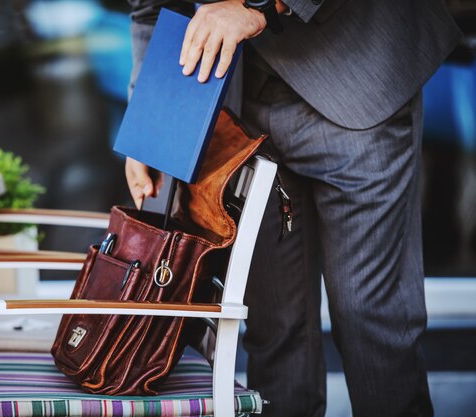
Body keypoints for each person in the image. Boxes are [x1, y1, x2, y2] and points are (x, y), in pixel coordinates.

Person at [124, 1, 462, 416]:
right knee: (272, 329)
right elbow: (151, 10)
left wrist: (255, 5)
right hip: (235, 115)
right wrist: (148, 118)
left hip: (357, 75)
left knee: (373, 326)